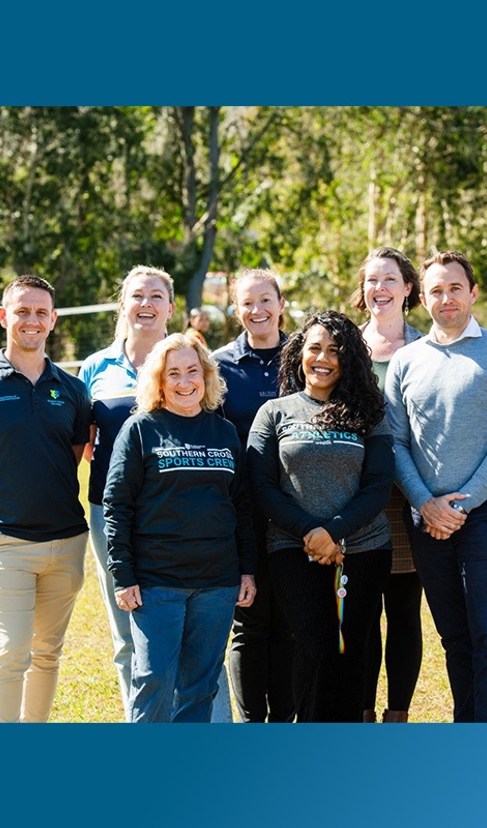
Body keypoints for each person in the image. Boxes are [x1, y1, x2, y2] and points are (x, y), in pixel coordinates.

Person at [385, 250, 487, 722]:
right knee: (453, 637)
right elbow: (395, 443)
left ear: (473, 293)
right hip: (426, 519)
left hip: (485, 514)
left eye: (455, 288)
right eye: (436, 291)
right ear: (422, 298)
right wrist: (426, 504)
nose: (446, 298)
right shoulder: (406, 361)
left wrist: (459, 506)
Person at [0, 274, 92, 723]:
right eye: (22, 311)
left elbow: (69, 458)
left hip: (67, 543)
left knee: (48, 652)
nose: (32, 320)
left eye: (41, 312)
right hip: (5, 544)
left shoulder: (73, 390)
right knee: (10, 651)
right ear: (3, 316)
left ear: (54, 320)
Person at [247, 310, 394, 722]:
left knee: (352, 649)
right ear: (299, 354)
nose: (323, 358)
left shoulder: (370, 412)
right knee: (314, 644)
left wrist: (335, 532)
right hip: (293, 549)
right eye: (315, 348)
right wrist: (312, 532)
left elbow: (378, 484)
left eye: (335, 351)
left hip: (364, 550)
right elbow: (262, 485)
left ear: (349, 360)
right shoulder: (274, 412)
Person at [103, 334, 256, 723]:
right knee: (153, 679)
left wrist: (247, 569)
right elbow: (117, 506)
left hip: (217, 584)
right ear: (159, 380)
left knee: (200, 685)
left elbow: (241, 506)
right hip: (157, 582)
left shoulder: (224, 432)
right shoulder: (140, 430)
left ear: (206, 376)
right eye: (173, 373)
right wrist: (123, 576)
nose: (184, 382)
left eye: (192, 371)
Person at [78, 265, 176, 719]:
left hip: (177, 512)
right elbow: (86, 444)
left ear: (170, 308)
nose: (146, 304)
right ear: (123, 305)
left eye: (156, 296)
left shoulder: (188, 359)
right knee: (125, 628)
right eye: (137, 295)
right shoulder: (95, 367)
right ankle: (139, 724)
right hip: (110, 512)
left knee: (179, 625)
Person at [212, 268, 296, 723]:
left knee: (289, 622)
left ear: (281, 304)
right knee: (249, 621)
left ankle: (283, 723)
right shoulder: (219, 366)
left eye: (266, 300)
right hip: (241, 511)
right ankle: (250, 724)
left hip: (297, 509)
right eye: (247, 302)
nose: (257, 310)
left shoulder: (304, 356)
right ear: (236, 309)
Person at [353, 246, 425, 724]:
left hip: (407, 497)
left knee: (402, 612)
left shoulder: (428, 347)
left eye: (389, 280)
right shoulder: (345, 348)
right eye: (371, 281)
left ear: (408, 289)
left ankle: (396, 715)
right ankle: (360, 714)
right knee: (360, 616)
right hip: (355, 498)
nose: (379, 289)